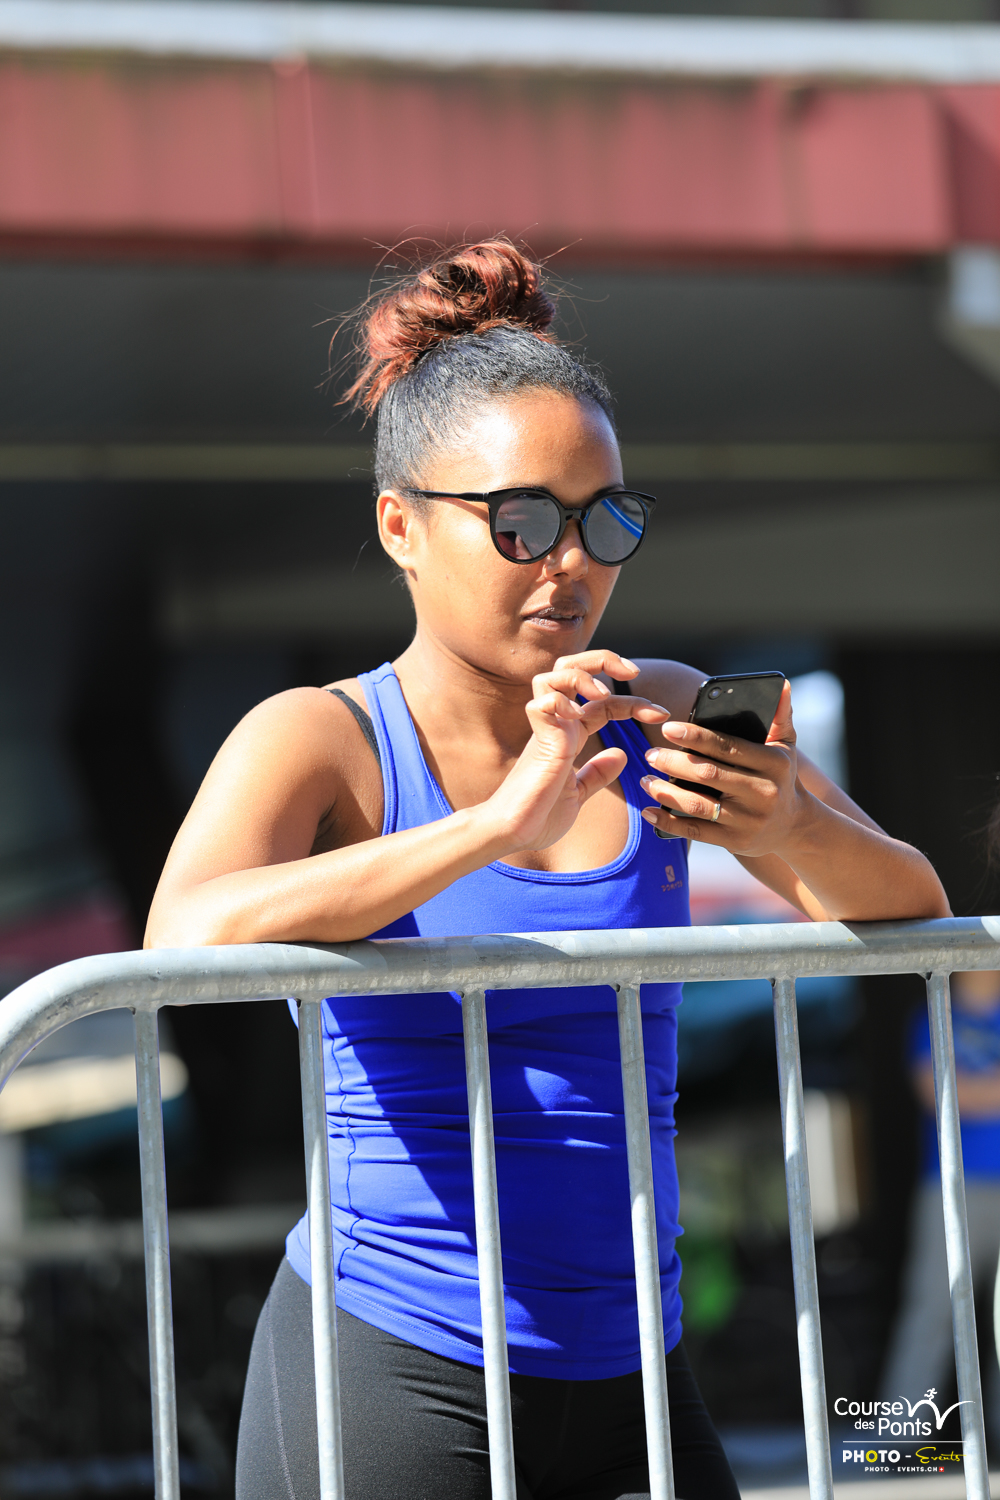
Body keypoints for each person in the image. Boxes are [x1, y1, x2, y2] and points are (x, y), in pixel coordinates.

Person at [144, 240, 949, 1500]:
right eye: (518, 522)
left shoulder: (657, 711)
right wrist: (493, 824)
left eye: (605, 520)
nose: (570, 563)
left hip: (634, 1363)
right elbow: (175, 943)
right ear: (402, 526)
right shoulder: (320, 737)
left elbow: (915, 918)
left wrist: (790, 823)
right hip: (393, 1361)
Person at [880, 968, 1000, 1441]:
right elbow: (938, 1094)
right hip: (950, 1187)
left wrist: (976, 1089)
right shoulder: (933, 1013)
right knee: (932, 1307)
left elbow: (960, 1092)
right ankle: (898, 1438)